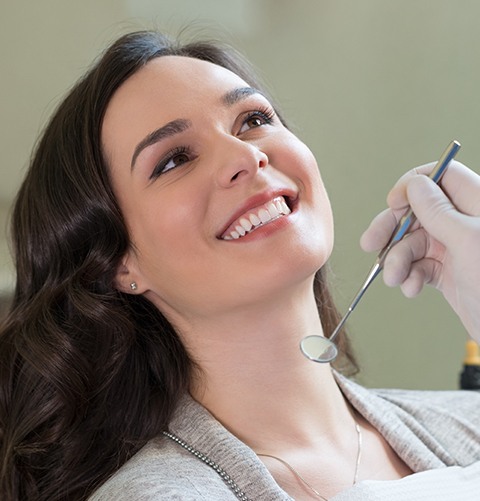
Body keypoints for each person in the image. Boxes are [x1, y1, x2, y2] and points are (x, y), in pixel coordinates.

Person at [0, 30, 479, 501]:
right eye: (173, 160)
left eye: (252, 119)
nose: (246, 155)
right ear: (119, 265)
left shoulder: (468, 422)